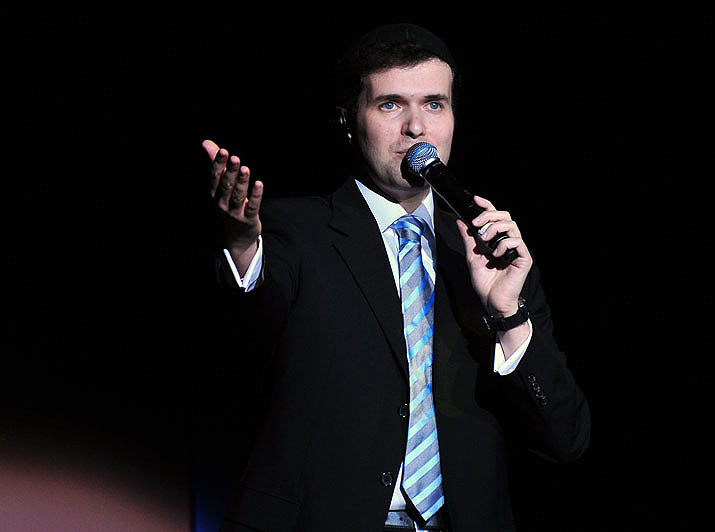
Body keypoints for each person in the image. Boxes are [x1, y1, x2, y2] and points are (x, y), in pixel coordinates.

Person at [203, 23, 590, 532]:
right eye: (390, 105)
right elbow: (243, 339)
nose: (416, 128)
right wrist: (242, 245)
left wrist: (508, 317)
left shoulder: (491, 251)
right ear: (348, 122)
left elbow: (565, 439)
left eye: (434, 105)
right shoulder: (295, 230)